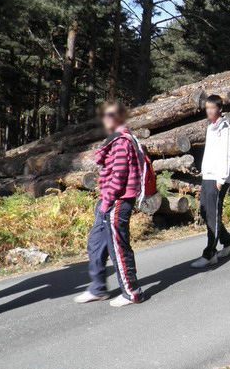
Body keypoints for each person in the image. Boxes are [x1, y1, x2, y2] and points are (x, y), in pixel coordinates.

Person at [74, 101, 144, 307]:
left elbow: (120, 175)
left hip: (117, 201)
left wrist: (108, 201)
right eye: (105, 115)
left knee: (118, 248)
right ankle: (98, 288)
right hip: (107, 201)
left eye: (112, 115)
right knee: (96, 243)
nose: (107, 119)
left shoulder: (122, 142)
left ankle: (132, 292)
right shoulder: (113, 140)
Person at [191, 95, 230, 268]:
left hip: (218, 177)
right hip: (208, 176)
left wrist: (222, 179)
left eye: (212, 108)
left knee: (213, 215)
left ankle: (210, 253)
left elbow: (228, 155)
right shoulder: (211, 126)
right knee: (205, 212)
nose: (209, 111)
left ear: (220, 109)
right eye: (207, 108)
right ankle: (228, 242)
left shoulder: (225, 129)